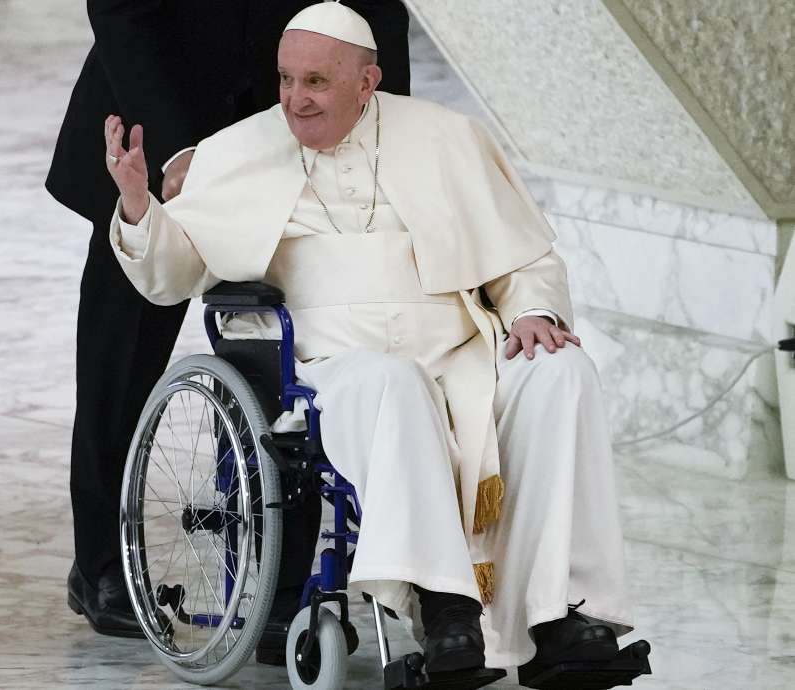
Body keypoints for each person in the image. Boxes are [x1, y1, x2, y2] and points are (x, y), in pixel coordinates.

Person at [100, 2, 640, 682]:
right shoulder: (235, 154)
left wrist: (536, 312)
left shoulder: (448, 138)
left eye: (317, 82)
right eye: (286, 79)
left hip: (465, 352)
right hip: (336, 372)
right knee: (393, 383)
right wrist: (139, 208)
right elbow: (171, 274)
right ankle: (445, 613)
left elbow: (525, 260)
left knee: (563, 371)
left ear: (367, 81)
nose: (296, 99)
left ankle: (561, 613)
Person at [47, 0, 411, 660]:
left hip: (287, 131)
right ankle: (100, 563)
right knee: (122, 361)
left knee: (284, 354)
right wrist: (180, 148)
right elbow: (122, 12)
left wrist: (391, 138)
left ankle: (277, 585)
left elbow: (377, 10)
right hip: (152, 120)